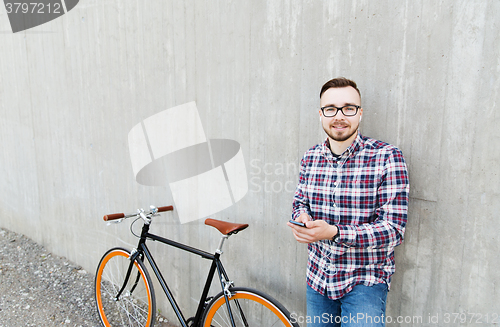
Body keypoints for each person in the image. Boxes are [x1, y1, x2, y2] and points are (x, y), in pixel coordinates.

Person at [288, 77, 409, 327]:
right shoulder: (310, 158)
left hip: (364, 280)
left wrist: (334, 232)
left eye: (348, 108)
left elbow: (394, 231)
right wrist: (302, 218)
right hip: (318, 277)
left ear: (360, 113)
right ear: (321, 114)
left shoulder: (387, 157)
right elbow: (299, 202)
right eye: (330, 109)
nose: (339, 116)